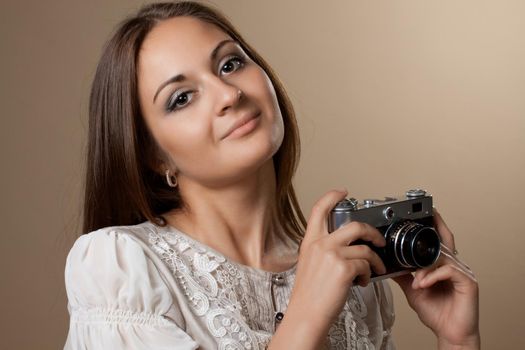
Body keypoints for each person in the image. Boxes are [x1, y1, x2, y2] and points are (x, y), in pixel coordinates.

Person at [63, 1, 480, 349]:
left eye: (230, 63)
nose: (230, 94)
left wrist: (458, 339)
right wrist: (306, 317)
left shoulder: (351, 272)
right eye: (182, 98)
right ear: (155, 157)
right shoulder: (121, 271)